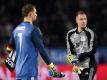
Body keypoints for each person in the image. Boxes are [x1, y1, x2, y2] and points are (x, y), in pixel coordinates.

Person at [6, 4, 61, 80]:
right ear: (30, 14)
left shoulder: (16, 30)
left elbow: (8, 49)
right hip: (30, 73)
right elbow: (42, 50)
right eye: (35, 12)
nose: (36, 14)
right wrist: (52, 67)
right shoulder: (34, 30)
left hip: (18, 73)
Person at [66, 11, 97, 80]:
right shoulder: (70, 34)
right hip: (79, 66)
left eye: (85, 19)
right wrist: (74, 63)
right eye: (81, 19)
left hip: (90, 66)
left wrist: (79, 56)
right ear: (76, 20)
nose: (83, 21)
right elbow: (70, 50)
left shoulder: (91, 33)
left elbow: (93, 50)